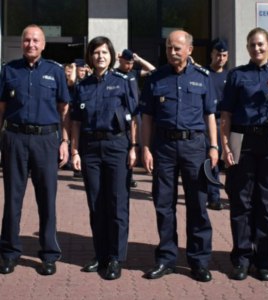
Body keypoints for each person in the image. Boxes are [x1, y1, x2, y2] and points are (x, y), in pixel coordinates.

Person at [140, 30, 218, 282]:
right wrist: (145, 148)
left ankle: (198, 261)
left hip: (195, 147)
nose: (172, 52)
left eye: (177, 48)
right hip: (163, 146)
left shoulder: (203, 77)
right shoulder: (154, 78)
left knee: (197, 204)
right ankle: (166, 258)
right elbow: (147, 118)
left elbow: (210, 115)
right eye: (169, 48)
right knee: (164, 205)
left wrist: (214, 146)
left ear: (190, 50)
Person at [220, 27, 268, 281]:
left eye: (260, 44)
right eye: (252, 45)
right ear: (247, 47)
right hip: (242, 140)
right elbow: (226, 115)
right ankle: (241, 259)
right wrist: (226, 147)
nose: (256, 49)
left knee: (267, 203)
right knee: (241, 203)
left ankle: (264, 260)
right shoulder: (237, 76)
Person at [0, 24, 70, 275]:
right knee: (12, 199)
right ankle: (8, 252)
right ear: (21, 43)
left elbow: (64, 109)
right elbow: (1, 107)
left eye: (35, 40)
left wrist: (64, 141)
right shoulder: (8, 70)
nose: (31, 44)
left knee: (47, 200)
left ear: (43, 44)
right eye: (26, 39)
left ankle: (49, 254)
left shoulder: (55, 71)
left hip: (46, 141)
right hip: (15, 138)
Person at [70, 36, 138, 280]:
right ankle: (100, 255)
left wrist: (133, 148)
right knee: (96, 203)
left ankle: (116, 258)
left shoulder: (122, 82)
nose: (100, 56)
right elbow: (75, 121)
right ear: (90, 56)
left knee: (117, 203)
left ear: (112, 56)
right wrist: (75, 151)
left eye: (104, 52)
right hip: (89, 148)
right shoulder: (82, 86)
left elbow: (133, 117)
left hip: (116, 145)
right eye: (96, 52)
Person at [116, 49, 155, 187]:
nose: (129, 66)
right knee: (124, 145)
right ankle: (124, 174)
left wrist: (139, 60)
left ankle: (130, 174)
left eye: (131, 63)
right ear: (120, 60)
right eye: (127, 63)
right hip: (119, 114)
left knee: (135, 144)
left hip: (135, 114)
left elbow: (153, 70)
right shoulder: (114, 74)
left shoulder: (134, 73)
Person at [205, 39, 228, 211]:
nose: (220, 58)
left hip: (225, 121)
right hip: (207, 121)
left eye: (224, 55)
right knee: (211, 159)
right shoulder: (204, 74)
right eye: (218, 54)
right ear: (212, 55)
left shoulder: (230, 76)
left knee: (223, 159)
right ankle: (213, 197)